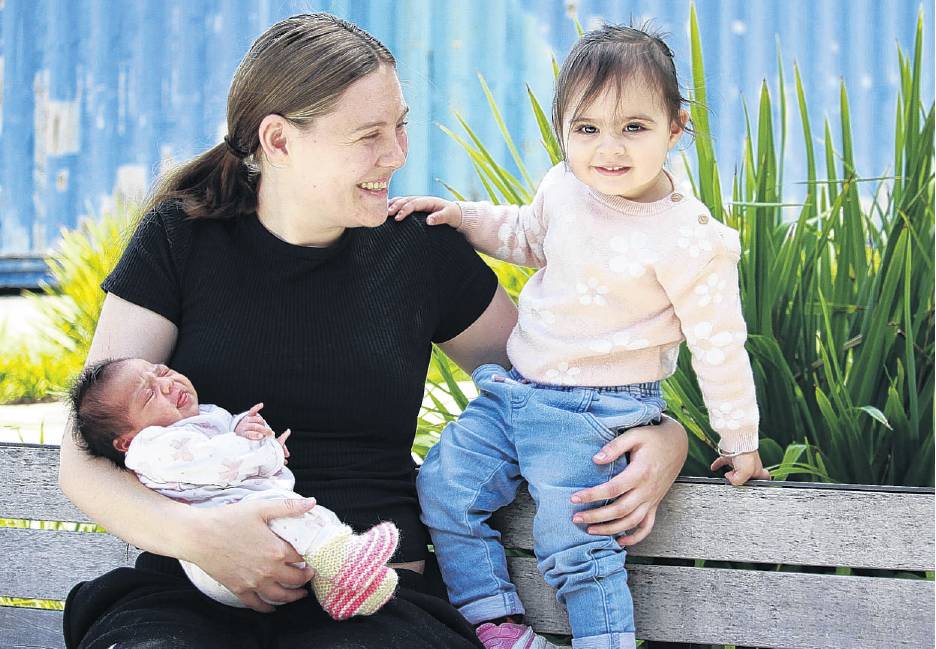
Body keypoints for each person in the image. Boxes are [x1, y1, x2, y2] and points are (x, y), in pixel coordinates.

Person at [58, 13, 689, 649]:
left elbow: (558, 380)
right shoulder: (180, 240)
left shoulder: (420, 252)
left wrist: (667, 434)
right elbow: (83, 461)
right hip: (191, 593)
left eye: (401, 125)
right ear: (278, 141)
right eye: (369, 135)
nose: (397, 154)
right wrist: (198, 538)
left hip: (377, 604)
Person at [389, 23, 770, 649]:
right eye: (585, 129)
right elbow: (528, 237)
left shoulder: (689, 239)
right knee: (443, 488)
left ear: (676, 127)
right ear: (563, 129)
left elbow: (719, 345)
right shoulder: (565, 186)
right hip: (513, 394)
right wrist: (467, 220)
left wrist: (740, 440)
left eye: (634, 127)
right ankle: (497, 623)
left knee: (575, 542)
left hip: (596, 414)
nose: (607, 149)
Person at [69, 357, 401, 620]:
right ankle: (344, 559)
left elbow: (230, 435)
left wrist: (246, 426)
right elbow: (217, 460)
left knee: (303, 511)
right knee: (298, 516)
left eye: (162, 371)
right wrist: (264, 450)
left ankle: (337, 588)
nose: (168, 385)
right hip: (223, 558)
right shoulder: (152, 447)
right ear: (126, 441)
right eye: (149, 394)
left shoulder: (205, 416)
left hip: (257, 528)